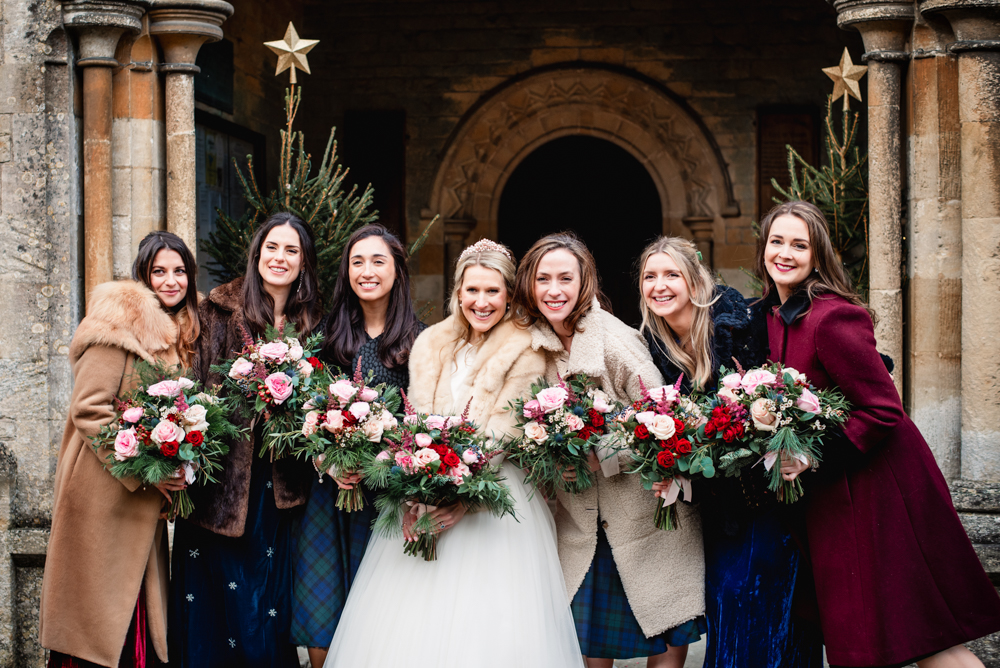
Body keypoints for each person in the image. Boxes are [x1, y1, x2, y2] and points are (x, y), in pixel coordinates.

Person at [756, 200, 1000, 668]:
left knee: (920, 636)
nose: (785, 253)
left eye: (799, 245)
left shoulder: (834, 317)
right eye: (777, 241)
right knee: (871, 639)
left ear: (818, 255)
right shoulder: (765, 316)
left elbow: (884, 409)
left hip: (878, 487)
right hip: (831, 496)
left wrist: (811, 456)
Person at [323, 239, 584, 668]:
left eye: (492, 292)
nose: (481, 302)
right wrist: (417, 491)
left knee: (487, 631)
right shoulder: (431, 343)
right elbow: (417, 423)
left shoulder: (526, 349)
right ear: (457, 292)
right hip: (427, 488)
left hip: (493, 498)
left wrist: (461, 498)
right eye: (472, 290)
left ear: (509, 295)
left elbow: (503, 433)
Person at [510, 232, 705, 668]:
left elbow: (663, 420)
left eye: (566, 278)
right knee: (588, 649)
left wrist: (605, 452)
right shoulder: (530, 345)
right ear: (529, 284)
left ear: (585, 283)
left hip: (645, 522)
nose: (554, 290)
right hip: (583, 524)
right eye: (543, 279)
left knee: (668, 640)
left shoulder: (614, 342)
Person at [637, 236, 823, 668]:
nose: (659, 286)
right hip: (718, 513)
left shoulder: (744, 322)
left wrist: (802, 448)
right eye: (650, 276)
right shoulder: (653, 344)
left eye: (671, 275)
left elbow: (802, 383)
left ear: (695, 281)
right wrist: (672, 468)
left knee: (759, 616)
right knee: (728, 612)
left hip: (769, 504)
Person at [40, 231, 200, 667]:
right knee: (98, 632)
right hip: (101, 500)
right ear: (142, 278)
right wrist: (142, 471)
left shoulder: (177, 336)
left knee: (134, 623)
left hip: (138, 507)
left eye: (180, 271)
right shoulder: (116, 328)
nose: (171, 281)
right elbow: (89, 410)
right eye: (159, 271)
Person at [169, 212, 320, 667]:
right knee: (215, 617)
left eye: (291, 250)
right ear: (257, 253)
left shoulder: (312, 322)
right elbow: (194, 388)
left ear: (304, 263)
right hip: (221, 490)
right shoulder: (218, 311)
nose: (280, 257)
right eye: (272, 247)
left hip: (281, 494)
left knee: (266, 617)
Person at [291, 224, 426, 668]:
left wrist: (385, 463)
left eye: (378, 261)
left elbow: (424, 420)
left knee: (384, 620)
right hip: (330, 494)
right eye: (357, 262)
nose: (366, 271)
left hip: (389, 498)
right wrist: (328, 460)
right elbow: (300, 415)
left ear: (398, 269)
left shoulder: (421, 342)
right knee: (322, 608)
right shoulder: (324, 336)